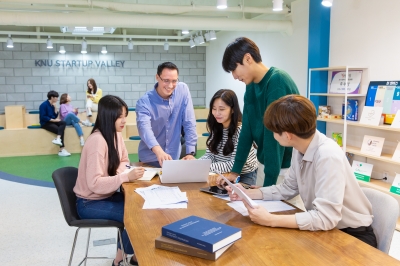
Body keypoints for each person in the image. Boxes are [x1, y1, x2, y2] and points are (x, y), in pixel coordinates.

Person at [226, 95, 377, 248]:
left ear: (287, 135)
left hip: (353, 238)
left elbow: (326, 217)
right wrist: (247, 194)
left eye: (274, 131)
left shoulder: (327, 155)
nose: (272, 135)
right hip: (327, 231)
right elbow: (288, 188)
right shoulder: (300, 148)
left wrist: (271, 219)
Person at [73, 95, 145, 266]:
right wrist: (124, 177)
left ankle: (121, 258)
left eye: (125, 116)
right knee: (136, 216)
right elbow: (95, 184)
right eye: (119, 117)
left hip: (106, 195)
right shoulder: (97, 141)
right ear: (108, 117)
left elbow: (124, 161)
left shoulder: (116, 134)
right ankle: (133, 258)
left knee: (142, 207)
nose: (124, 121)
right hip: (89, 203)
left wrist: (118, 175)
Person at [219, 37, 300, 187]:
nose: (234, 76)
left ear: (248, 58)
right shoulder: (251, 86)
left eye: (234, 69)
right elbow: (247, 131)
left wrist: (268, 188)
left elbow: (273, 138)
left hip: (283, 168)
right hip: (265, 164)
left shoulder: (277, 81)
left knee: (277, 209)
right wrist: (235, 172)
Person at [136, 62, 197, 167]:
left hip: (173, 157)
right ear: (157, 77)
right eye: (166, 81)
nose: (170, 85)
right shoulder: (144, 102)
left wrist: (190, 152)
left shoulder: (182, 90)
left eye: (174, 81)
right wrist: (158, 151)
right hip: (149, 159)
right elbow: (144, 129)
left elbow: (189, 121)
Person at [199, 89, 258, 185]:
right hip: (221, 172)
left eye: (222, 109)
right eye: (214, 109)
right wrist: (196, 164)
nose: (217, 113)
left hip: (244, 175)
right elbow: (210, 155)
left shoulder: (241, 130)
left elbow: (234, 164)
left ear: (233, 109)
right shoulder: (217, 127)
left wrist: (204, 167)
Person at [39, 90, 70, 157]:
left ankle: (58, 139)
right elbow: (43, 117)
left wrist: (55, 108)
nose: (57, 99)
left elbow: (55, 116)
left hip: (52, 121)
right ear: (52, 97)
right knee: (60, 130)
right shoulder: (43, 105)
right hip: (45, 123)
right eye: (56, 97)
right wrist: (54, 120)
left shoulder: (52, 105)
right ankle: (61, 149)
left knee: (63, 123)